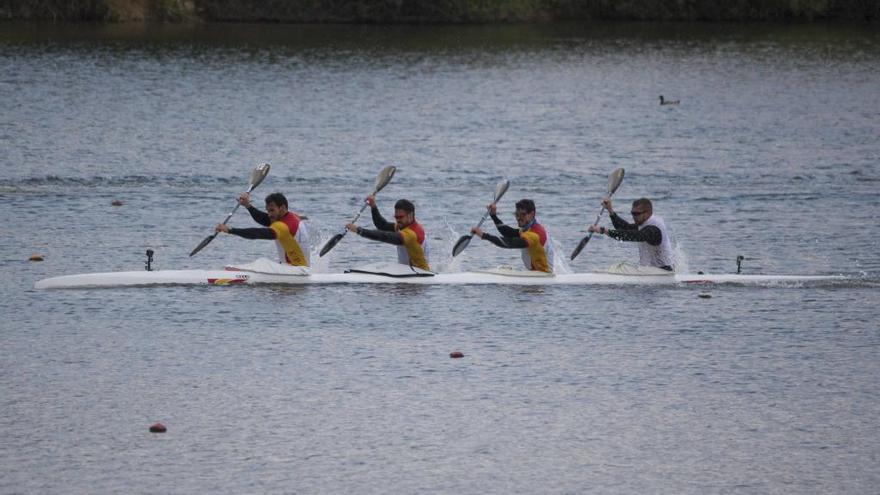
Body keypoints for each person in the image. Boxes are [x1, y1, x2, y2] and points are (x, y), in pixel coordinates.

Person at [215, 192, 310, 266]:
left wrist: (230, 230)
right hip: (300, 267)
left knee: (261, 263)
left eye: (272, 210)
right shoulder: (292, 216)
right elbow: (264, 218)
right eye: (268, 210)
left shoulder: (283, 226)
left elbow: (257, 233)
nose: (269, 214)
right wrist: (248, 205)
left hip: (295, 270)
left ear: (283, 207)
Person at [588, 197, 675, 271]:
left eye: (636, 214)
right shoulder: (644, 223)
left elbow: (634, 236)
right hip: (652, 271)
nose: (633, 216)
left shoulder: (653, 229)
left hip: (663, 271)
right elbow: (624, 227)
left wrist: (603, 230)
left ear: (647, 213)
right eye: (632, 213)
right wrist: (610, 210)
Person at [346, 196, 430, 271]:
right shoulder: (402, 227)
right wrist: (373, 206)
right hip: (407, 272)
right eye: (396, 217)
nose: (398, 220)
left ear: (410, 215)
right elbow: (382, 225)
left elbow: (385, 236)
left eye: (400, 217)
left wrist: (359, 230)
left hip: (418, 274)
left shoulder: (412, 234)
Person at [471, 199, 554, 273]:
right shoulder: (528, 228)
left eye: (523, 214)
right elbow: (509, 233)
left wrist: (484, 235)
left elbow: (509, 243)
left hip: (544, 275)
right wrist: (493, 215)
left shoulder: (535, 234)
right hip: (535, 274)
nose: (519, 218)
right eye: (517, 214)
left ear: (532, 214)